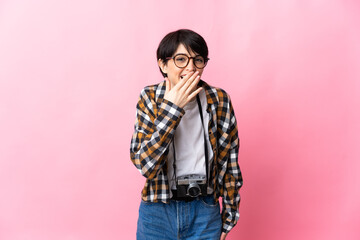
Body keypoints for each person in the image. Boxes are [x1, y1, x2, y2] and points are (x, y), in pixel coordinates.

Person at [130, 29, 243, 240]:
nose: (190, 67)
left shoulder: (218, 99)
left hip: (204, 209)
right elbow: (146, 165)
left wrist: (229, 218)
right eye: (181, 59)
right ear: (163, 64)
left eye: (198, 60)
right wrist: (173, 108)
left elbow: (230, 163)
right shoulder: (150, 98)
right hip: (157, 210)